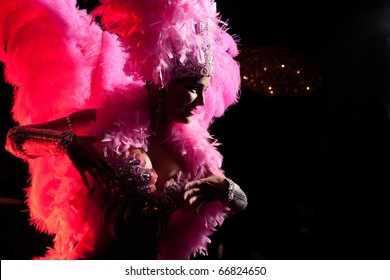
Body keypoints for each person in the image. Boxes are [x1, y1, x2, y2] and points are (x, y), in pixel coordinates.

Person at [1, 0, 247, 260]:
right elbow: (15, 140)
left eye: (204, 91)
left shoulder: (191, 153)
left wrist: (227, 190)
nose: (201, 103)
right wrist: (67, 143)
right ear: (164, 82)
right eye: (194, 89)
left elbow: (240, 202)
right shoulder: (107, 120)